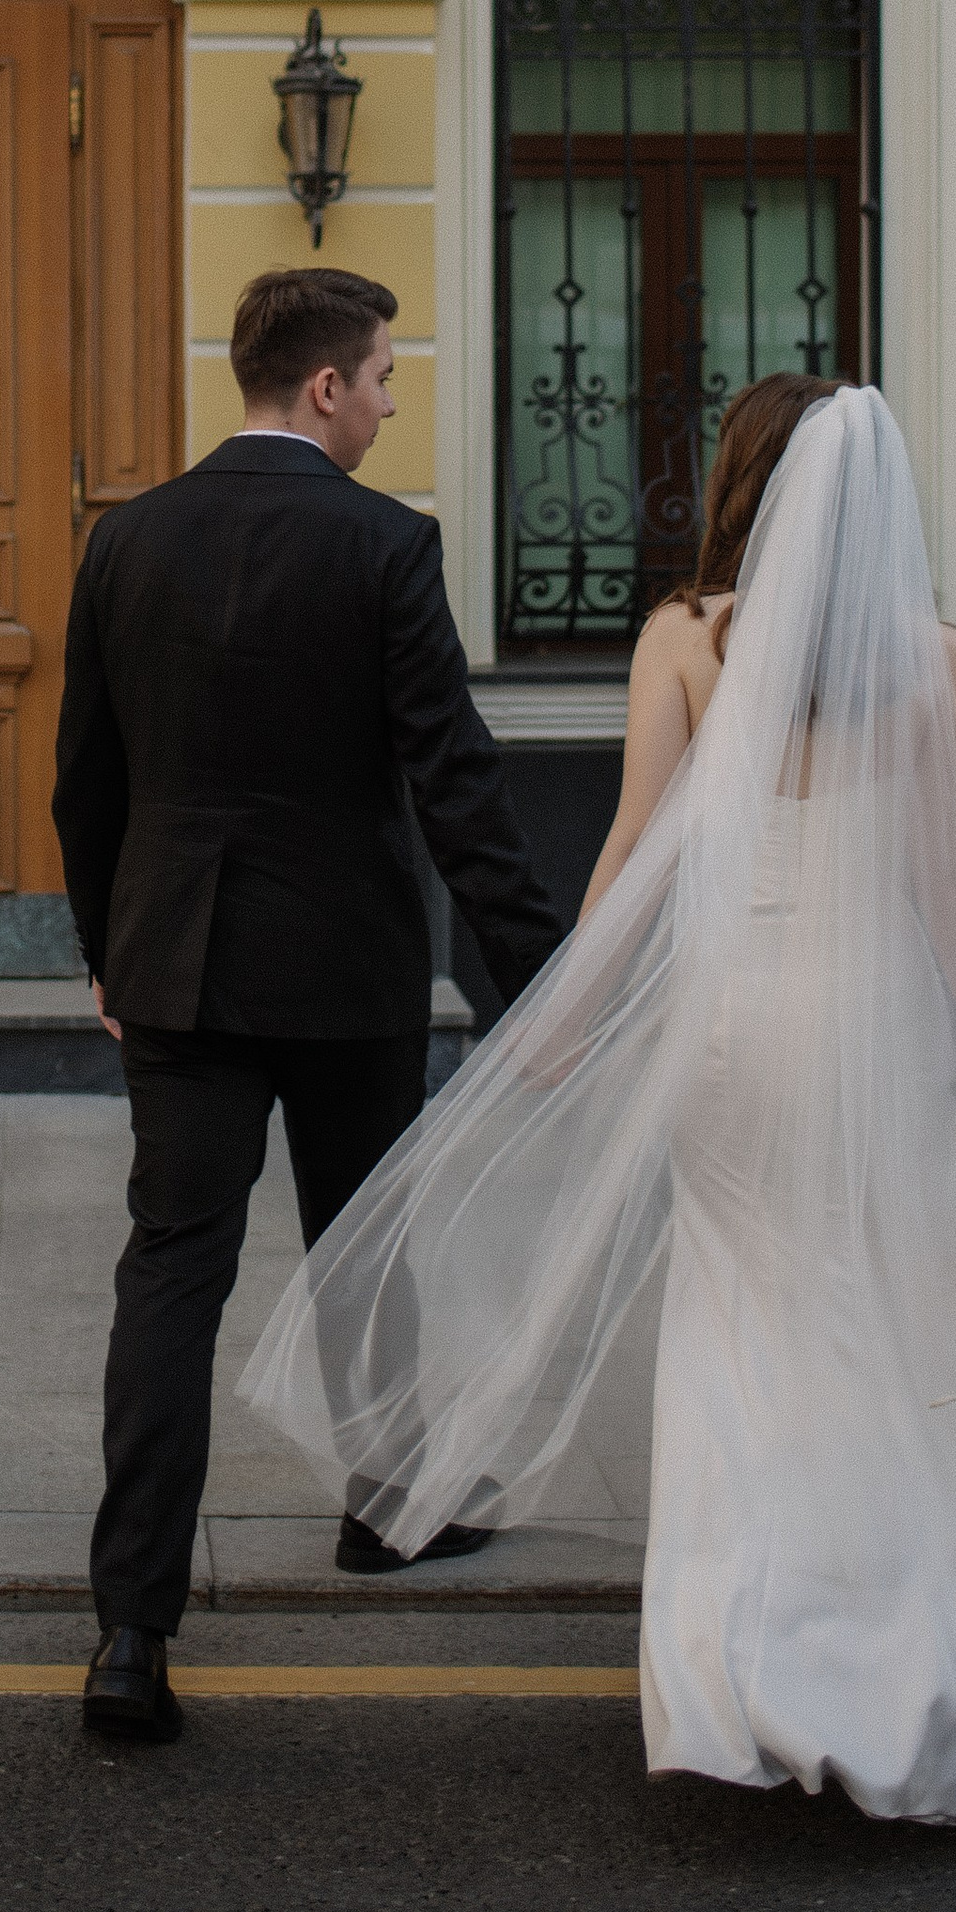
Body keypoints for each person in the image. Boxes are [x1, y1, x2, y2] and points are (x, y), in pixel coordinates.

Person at [242, 376, 956, 1823]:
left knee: (748, 1317)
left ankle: (760, 1661)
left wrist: (562, 1012)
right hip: (874, 1024)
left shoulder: (682, 639)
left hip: (734, 1035)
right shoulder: (941, 662)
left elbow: (632, 851)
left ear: (747, 488)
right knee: (903, 1306)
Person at [55, 263, 565, 1749]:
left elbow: (87, 781)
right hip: (344, 972)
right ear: (324, 387)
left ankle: (131, 1632)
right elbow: (456, 789)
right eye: (387, 377)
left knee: (171, 1275)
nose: (395, 401)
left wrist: (108, 949)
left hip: (179, 968)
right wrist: (543, 981)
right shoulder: (387, 549)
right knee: (367, 1252)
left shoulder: (126, 541)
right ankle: (389, 1516)